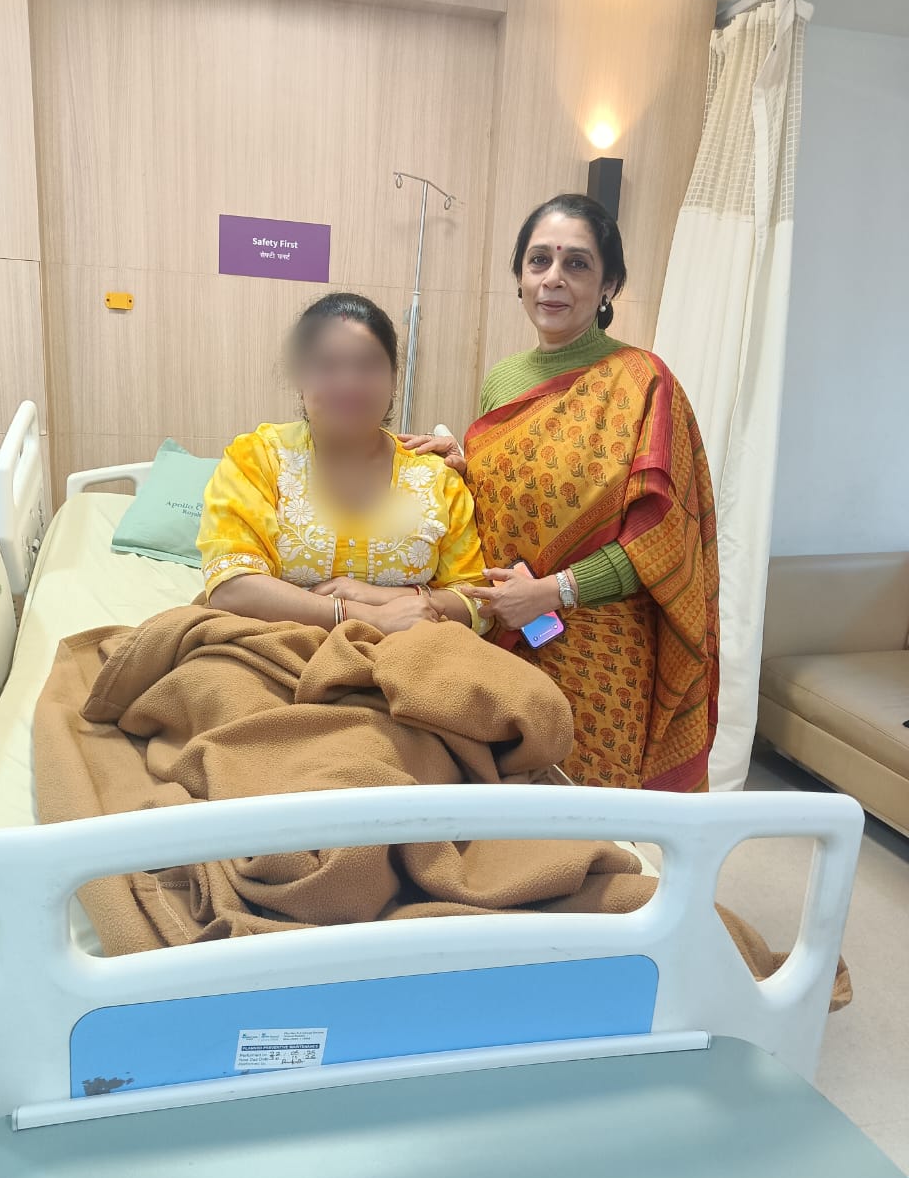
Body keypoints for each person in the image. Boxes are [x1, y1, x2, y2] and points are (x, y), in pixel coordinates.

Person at [402, 194, 719, 791]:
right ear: (520, 277)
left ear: (609, 285)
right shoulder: (504, 380)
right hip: (503, 627)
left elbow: (662, 539)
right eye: (539, 260)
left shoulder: (644, 382)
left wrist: (552, 592)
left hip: (600, 645)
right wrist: (465, 467)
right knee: (503, 804)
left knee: (585, 813)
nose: (553, 278)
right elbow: (525, 494)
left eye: (576, 263)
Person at [198, 293, 490, 636]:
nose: (349, 384)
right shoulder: (258, 458)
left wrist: (381, 596)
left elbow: (478, 603)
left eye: (367, 365)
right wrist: (364, 616)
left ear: (394, 379)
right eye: (327, 366)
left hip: (409, 652)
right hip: (277, 644)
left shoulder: (435, 475)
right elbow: (230, 585)